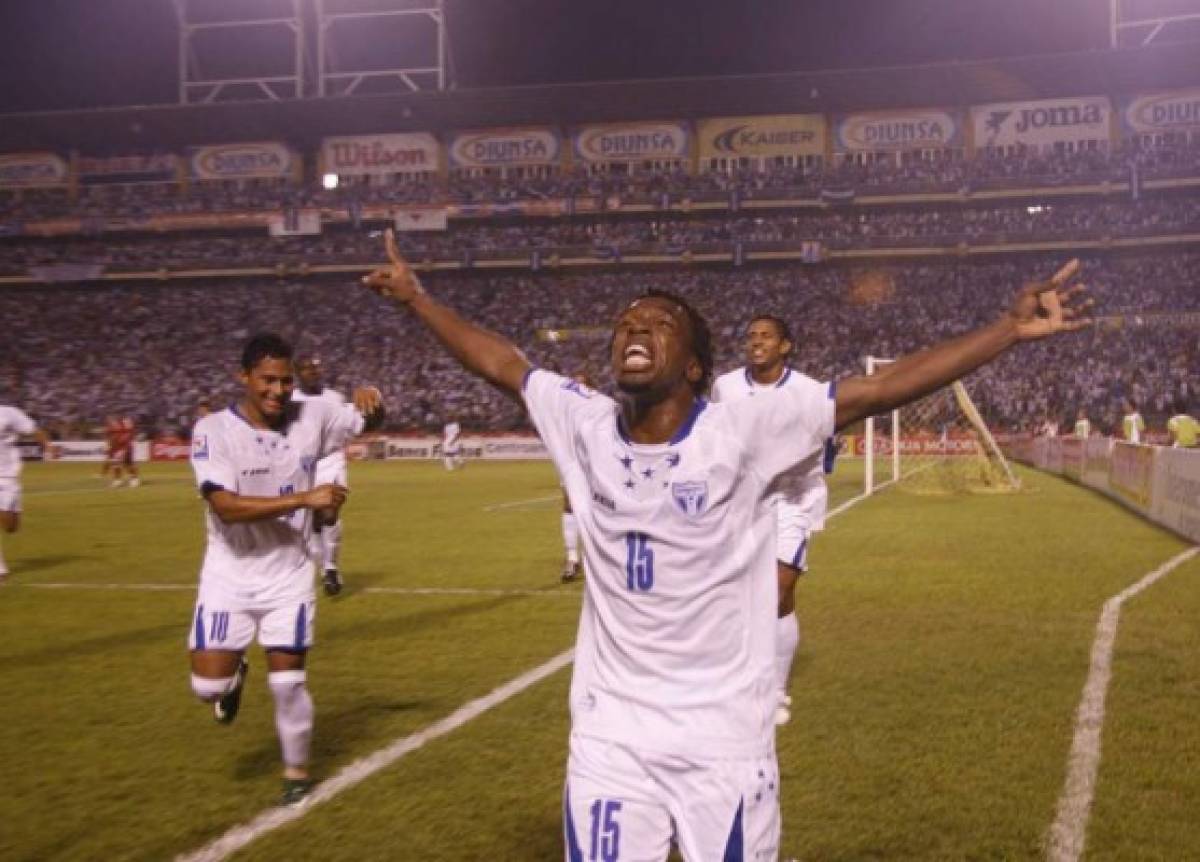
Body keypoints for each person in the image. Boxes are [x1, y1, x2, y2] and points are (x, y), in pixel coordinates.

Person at [363, 231, 1089, 860]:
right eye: (624, 323)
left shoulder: (742, 432)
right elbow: (503, 362)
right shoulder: (580, 422)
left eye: (659, 323)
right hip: (611, 736)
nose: (635, 329)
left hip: (722, 742)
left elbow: (878, 391)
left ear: (694, 368)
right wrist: (418, 299)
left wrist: (1006, 329)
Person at [187, 333, 383, 806]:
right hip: (229, 573)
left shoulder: (313, 413)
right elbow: (226, 507)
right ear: (245, 378)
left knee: (289, 682)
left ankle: (296, 773)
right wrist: (304, 497)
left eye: (285, 381)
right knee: (206, 686)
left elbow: (369, 420)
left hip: (289, 571)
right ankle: (231, 676)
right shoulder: (213, 430)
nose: (278, 391)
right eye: (267, 381)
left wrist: (373, 403)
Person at [711, 315, 831, 726]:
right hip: (741, 501)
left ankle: (776, 692)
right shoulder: (725, 387)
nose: (756, 342)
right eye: (751, 336)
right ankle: (738, 679)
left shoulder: (809, 392)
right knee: (739, 594)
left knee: (777, 591)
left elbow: (825, 444)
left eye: (766, 336)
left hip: (792, 499)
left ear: (785, 346)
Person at [291, 357, 354, 596]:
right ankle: (320, 564)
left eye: (316, 367)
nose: (313, 372)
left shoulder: (335, 398)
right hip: (304, 464)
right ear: (298, 372)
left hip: (331, 461)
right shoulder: (291, 401)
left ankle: (330, 568)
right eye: (307, 368)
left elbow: (348, 426)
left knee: (329, 512)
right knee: (312, 521)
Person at [0, 403, 51, 582]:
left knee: (11, 527)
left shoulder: (8, 413)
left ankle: (14, 512)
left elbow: (33, 429)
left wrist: (47, 447)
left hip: (8, 477)